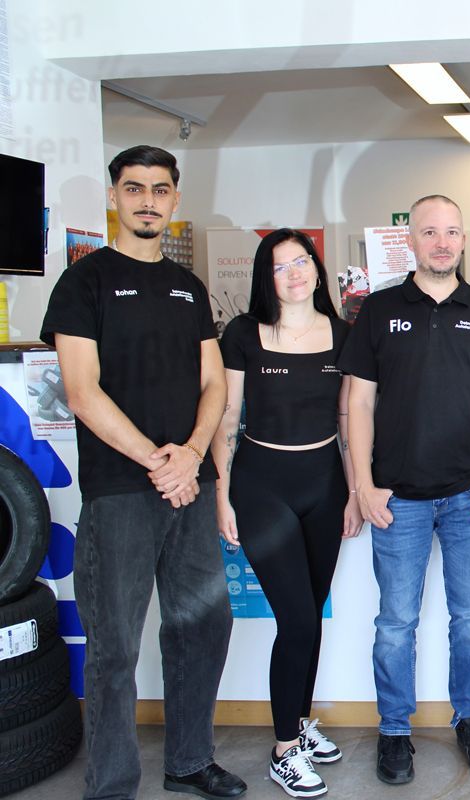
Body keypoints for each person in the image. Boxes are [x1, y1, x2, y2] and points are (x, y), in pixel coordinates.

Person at [40, 145, 246, 800]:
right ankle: (111, 786)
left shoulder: (188, 287)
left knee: (202, 627)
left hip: (190, 487)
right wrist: (161, 461)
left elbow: (214, 383)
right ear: (115, 197)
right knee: (115, 648)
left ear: (174, 199)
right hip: (121, 492)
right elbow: (82, 392)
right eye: (134, 188)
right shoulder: (84, 282)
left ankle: (188, 761)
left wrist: (191, 454)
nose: (148, 201)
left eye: (160, 190)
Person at [337, 195, 470, 784]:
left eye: (451, 232)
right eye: (429, 232)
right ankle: (395, 729)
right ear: (411, 241)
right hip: (397, 498)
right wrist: (364, 485)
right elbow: (358, 402)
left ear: (464, 240)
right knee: (395, 622)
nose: (442, 242)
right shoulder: (379, 309)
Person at [210, 229, 361, 797]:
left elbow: (347, 419)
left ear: (317, 268)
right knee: (296, 620)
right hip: (262, 486)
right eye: (279, 266)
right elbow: (227, 417)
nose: (294, 273)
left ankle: (298, 724)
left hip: (324, 483)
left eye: (301, 261)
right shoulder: (242, 333)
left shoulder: (342, 334)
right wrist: (222, 494)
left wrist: (353, 490)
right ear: (264, 278)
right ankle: (283, 750)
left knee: (311, 616)